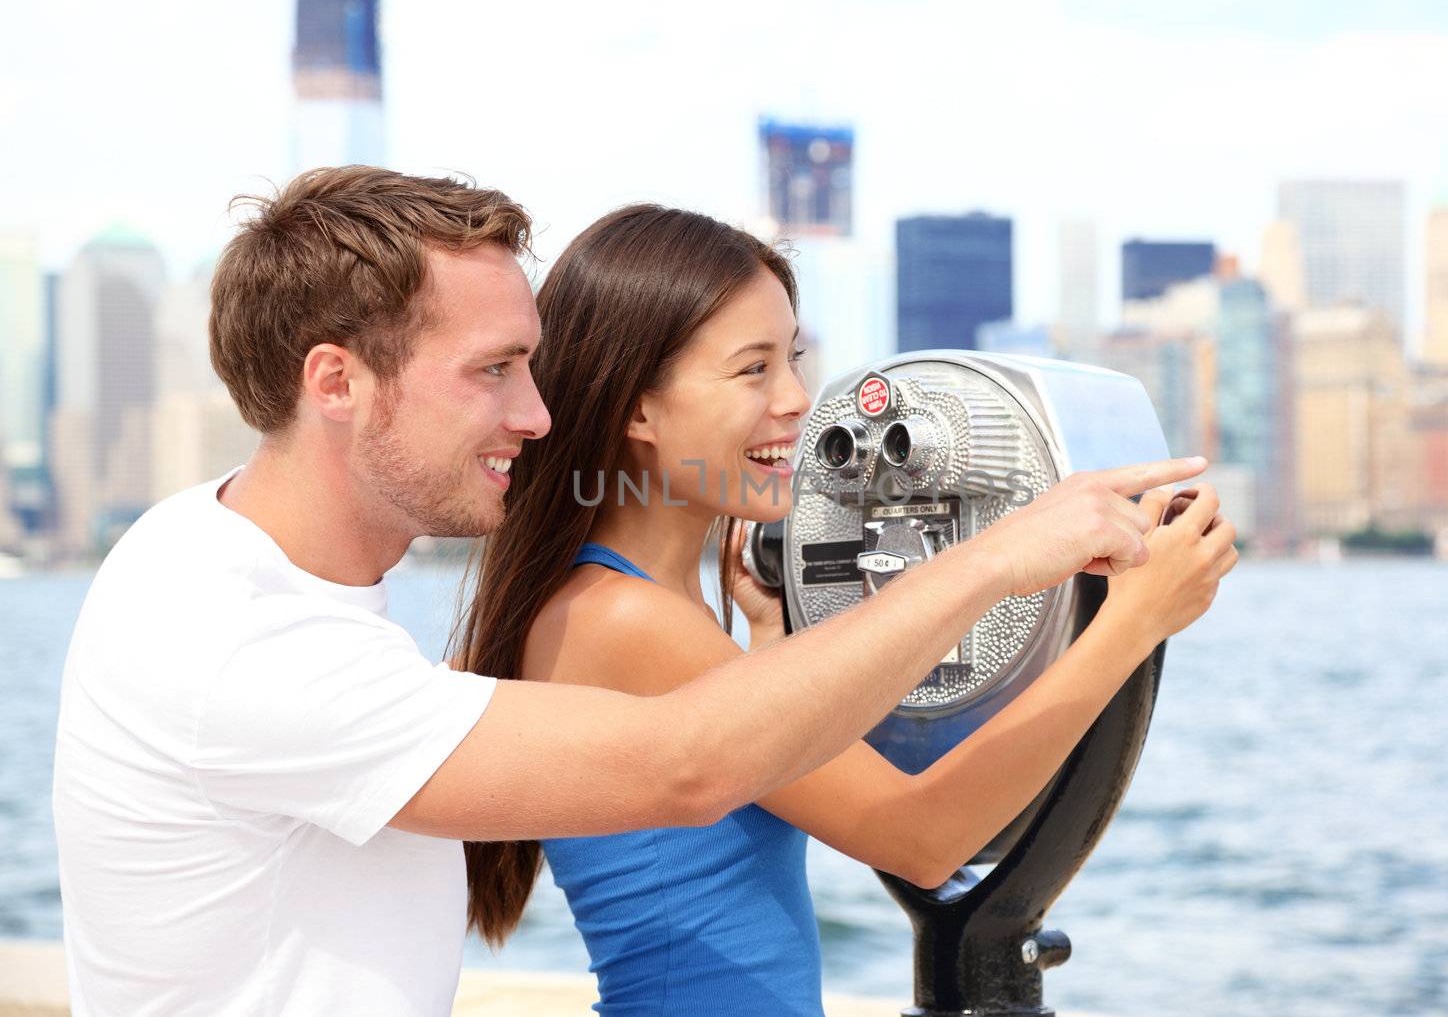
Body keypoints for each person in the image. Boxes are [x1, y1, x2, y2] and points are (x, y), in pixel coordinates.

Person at [49, 169, 1208, 1017]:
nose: (537, 414)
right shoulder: (246, 640)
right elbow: (797, 795)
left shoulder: (207, 557)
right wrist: (1061, 589)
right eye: (495, 371)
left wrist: (778, 656)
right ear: (337, 382)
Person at [459, 204, 1237, 1014]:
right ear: (639, 409)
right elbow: (924, 839)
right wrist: (1134, 620)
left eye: (792, 359)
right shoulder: (619, 619)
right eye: (752, 369)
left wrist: (767, 642)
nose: (798, 399)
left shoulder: (644, 608)